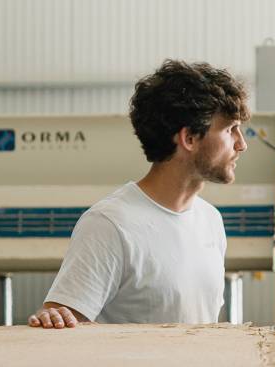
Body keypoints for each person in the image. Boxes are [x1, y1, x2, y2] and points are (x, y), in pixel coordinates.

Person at [29, 60, 249, 329]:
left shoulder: (210, 221)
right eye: (229, 130)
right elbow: (62, 326)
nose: (242, 144)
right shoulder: (109, 225)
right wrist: (52, 319)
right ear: (189, 138)